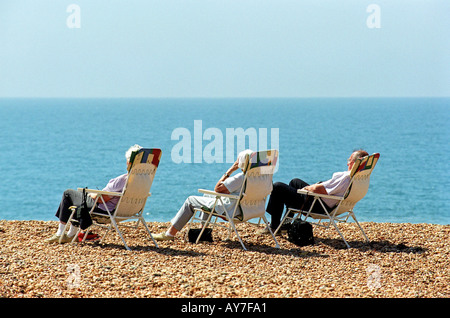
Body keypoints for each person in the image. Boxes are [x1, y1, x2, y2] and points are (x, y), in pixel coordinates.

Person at [45, 144, 143, 243]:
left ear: (129, 162)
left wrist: (92, 195)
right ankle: (71, 234)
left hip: (103, 209)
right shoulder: (141, 181)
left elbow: (101, 199)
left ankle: (60, 234)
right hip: (125, 211)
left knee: (68, 194)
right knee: (79, 200)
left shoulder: (122, 180)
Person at [152, 149, 253, 241]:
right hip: (249, 210)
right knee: (208, 196)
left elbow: (217, 188)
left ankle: (170, 234)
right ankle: (202, 232)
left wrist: (230, 170)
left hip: (232, 211)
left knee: (190, 200)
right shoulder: (261, 178)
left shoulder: (240, 178)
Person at [260, 149, 369, 234]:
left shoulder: (345, 177)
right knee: (295, 182)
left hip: (317, 206)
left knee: (277, 186)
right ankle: (285, 224)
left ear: (355, 163)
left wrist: (307, 189)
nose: (347, 163)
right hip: (333, 205)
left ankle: (274, 226)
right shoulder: (360, 178)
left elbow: (318, 190)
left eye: (349, 160)